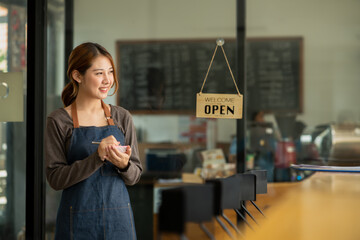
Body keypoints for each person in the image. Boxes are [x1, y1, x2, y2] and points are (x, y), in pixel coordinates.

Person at [45, 42, 142, 240]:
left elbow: (134, 176)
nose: (108, 80)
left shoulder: (122, 117)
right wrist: (97, 158)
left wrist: (124, 165)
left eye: (110, 72)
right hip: (77, 223)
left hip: (119, 221)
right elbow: (55, 179)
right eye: (99, 73)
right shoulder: (59, 120)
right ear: (77, 75)